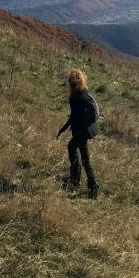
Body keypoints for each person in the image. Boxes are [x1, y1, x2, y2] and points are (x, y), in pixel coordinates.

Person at [56, 69, 100, 198]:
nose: (70, 85)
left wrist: (68, 128)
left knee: (82, 156)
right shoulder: (83, 94)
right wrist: (63, 129)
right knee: (80, 154)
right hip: (82, 131)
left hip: (81, 132)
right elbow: (78, 116)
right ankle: (87, 185)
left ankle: (83, 183)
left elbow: (76, 116)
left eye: (71, 83)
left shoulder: (77, 97)